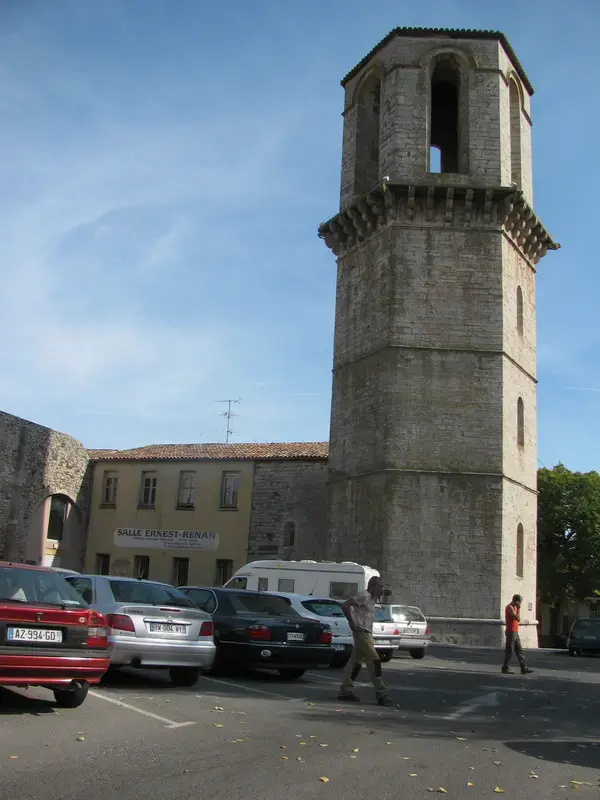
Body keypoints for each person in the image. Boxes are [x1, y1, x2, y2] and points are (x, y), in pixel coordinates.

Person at [338, 576, 393, 706]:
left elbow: (385, 593)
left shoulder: (373, 598)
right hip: (361, 632)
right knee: (374, 659)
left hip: (367, 632)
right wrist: (351, 622)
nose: (381, 590)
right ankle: (381, 693)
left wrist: (384, 591)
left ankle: (345, 691)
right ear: (372, 586)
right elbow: (345, 605)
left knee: (355, 662)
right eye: (379, 587)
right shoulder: (364, 595)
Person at [502, 594, 533, 675]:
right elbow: (517, 618)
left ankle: (523, 667)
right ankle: (505, 667)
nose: (519, 604)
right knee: (510, 650)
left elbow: (518, 619)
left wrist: (518, 609)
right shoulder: (509, 607)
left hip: (515, 631)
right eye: (519, 602)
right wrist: (518, 609)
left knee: (520, 650)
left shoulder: (515, 607)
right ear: (516, 601)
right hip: (510, 632)